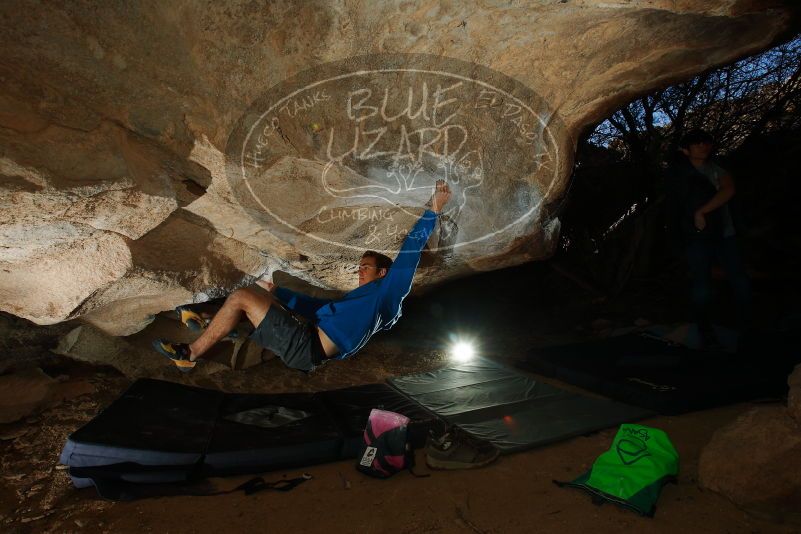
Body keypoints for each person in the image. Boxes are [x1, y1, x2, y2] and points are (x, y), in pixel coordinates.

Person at [153, 180, 452, 372]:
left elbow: (409, 253)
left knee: (243, 297)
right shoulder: (359, 301)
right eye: (360, 265)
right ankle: (209, 320)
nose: (359, 270)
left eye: (366, 267)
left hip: (306, 347)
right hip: (306, 341)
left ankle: (188, 354)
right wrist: (278, 292)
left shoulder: (388, 292)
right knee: (257, 293)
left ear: (383, 273)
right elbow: (315, 309)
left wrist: (433, 210)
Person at [665, 129, 751, 346]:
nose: (704, 146)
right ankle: (705, 329)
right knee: (701, 284)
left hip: (725, 234)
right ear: (686, 149)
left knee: (739, 281)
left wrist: (701, 211)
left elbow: (728, 190)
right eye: (697, 143)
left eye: (706, 142)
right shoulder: (677, 175)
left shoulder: (718, 169)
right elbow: (673, 207)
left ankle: (746, 328)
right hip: (696, 237)